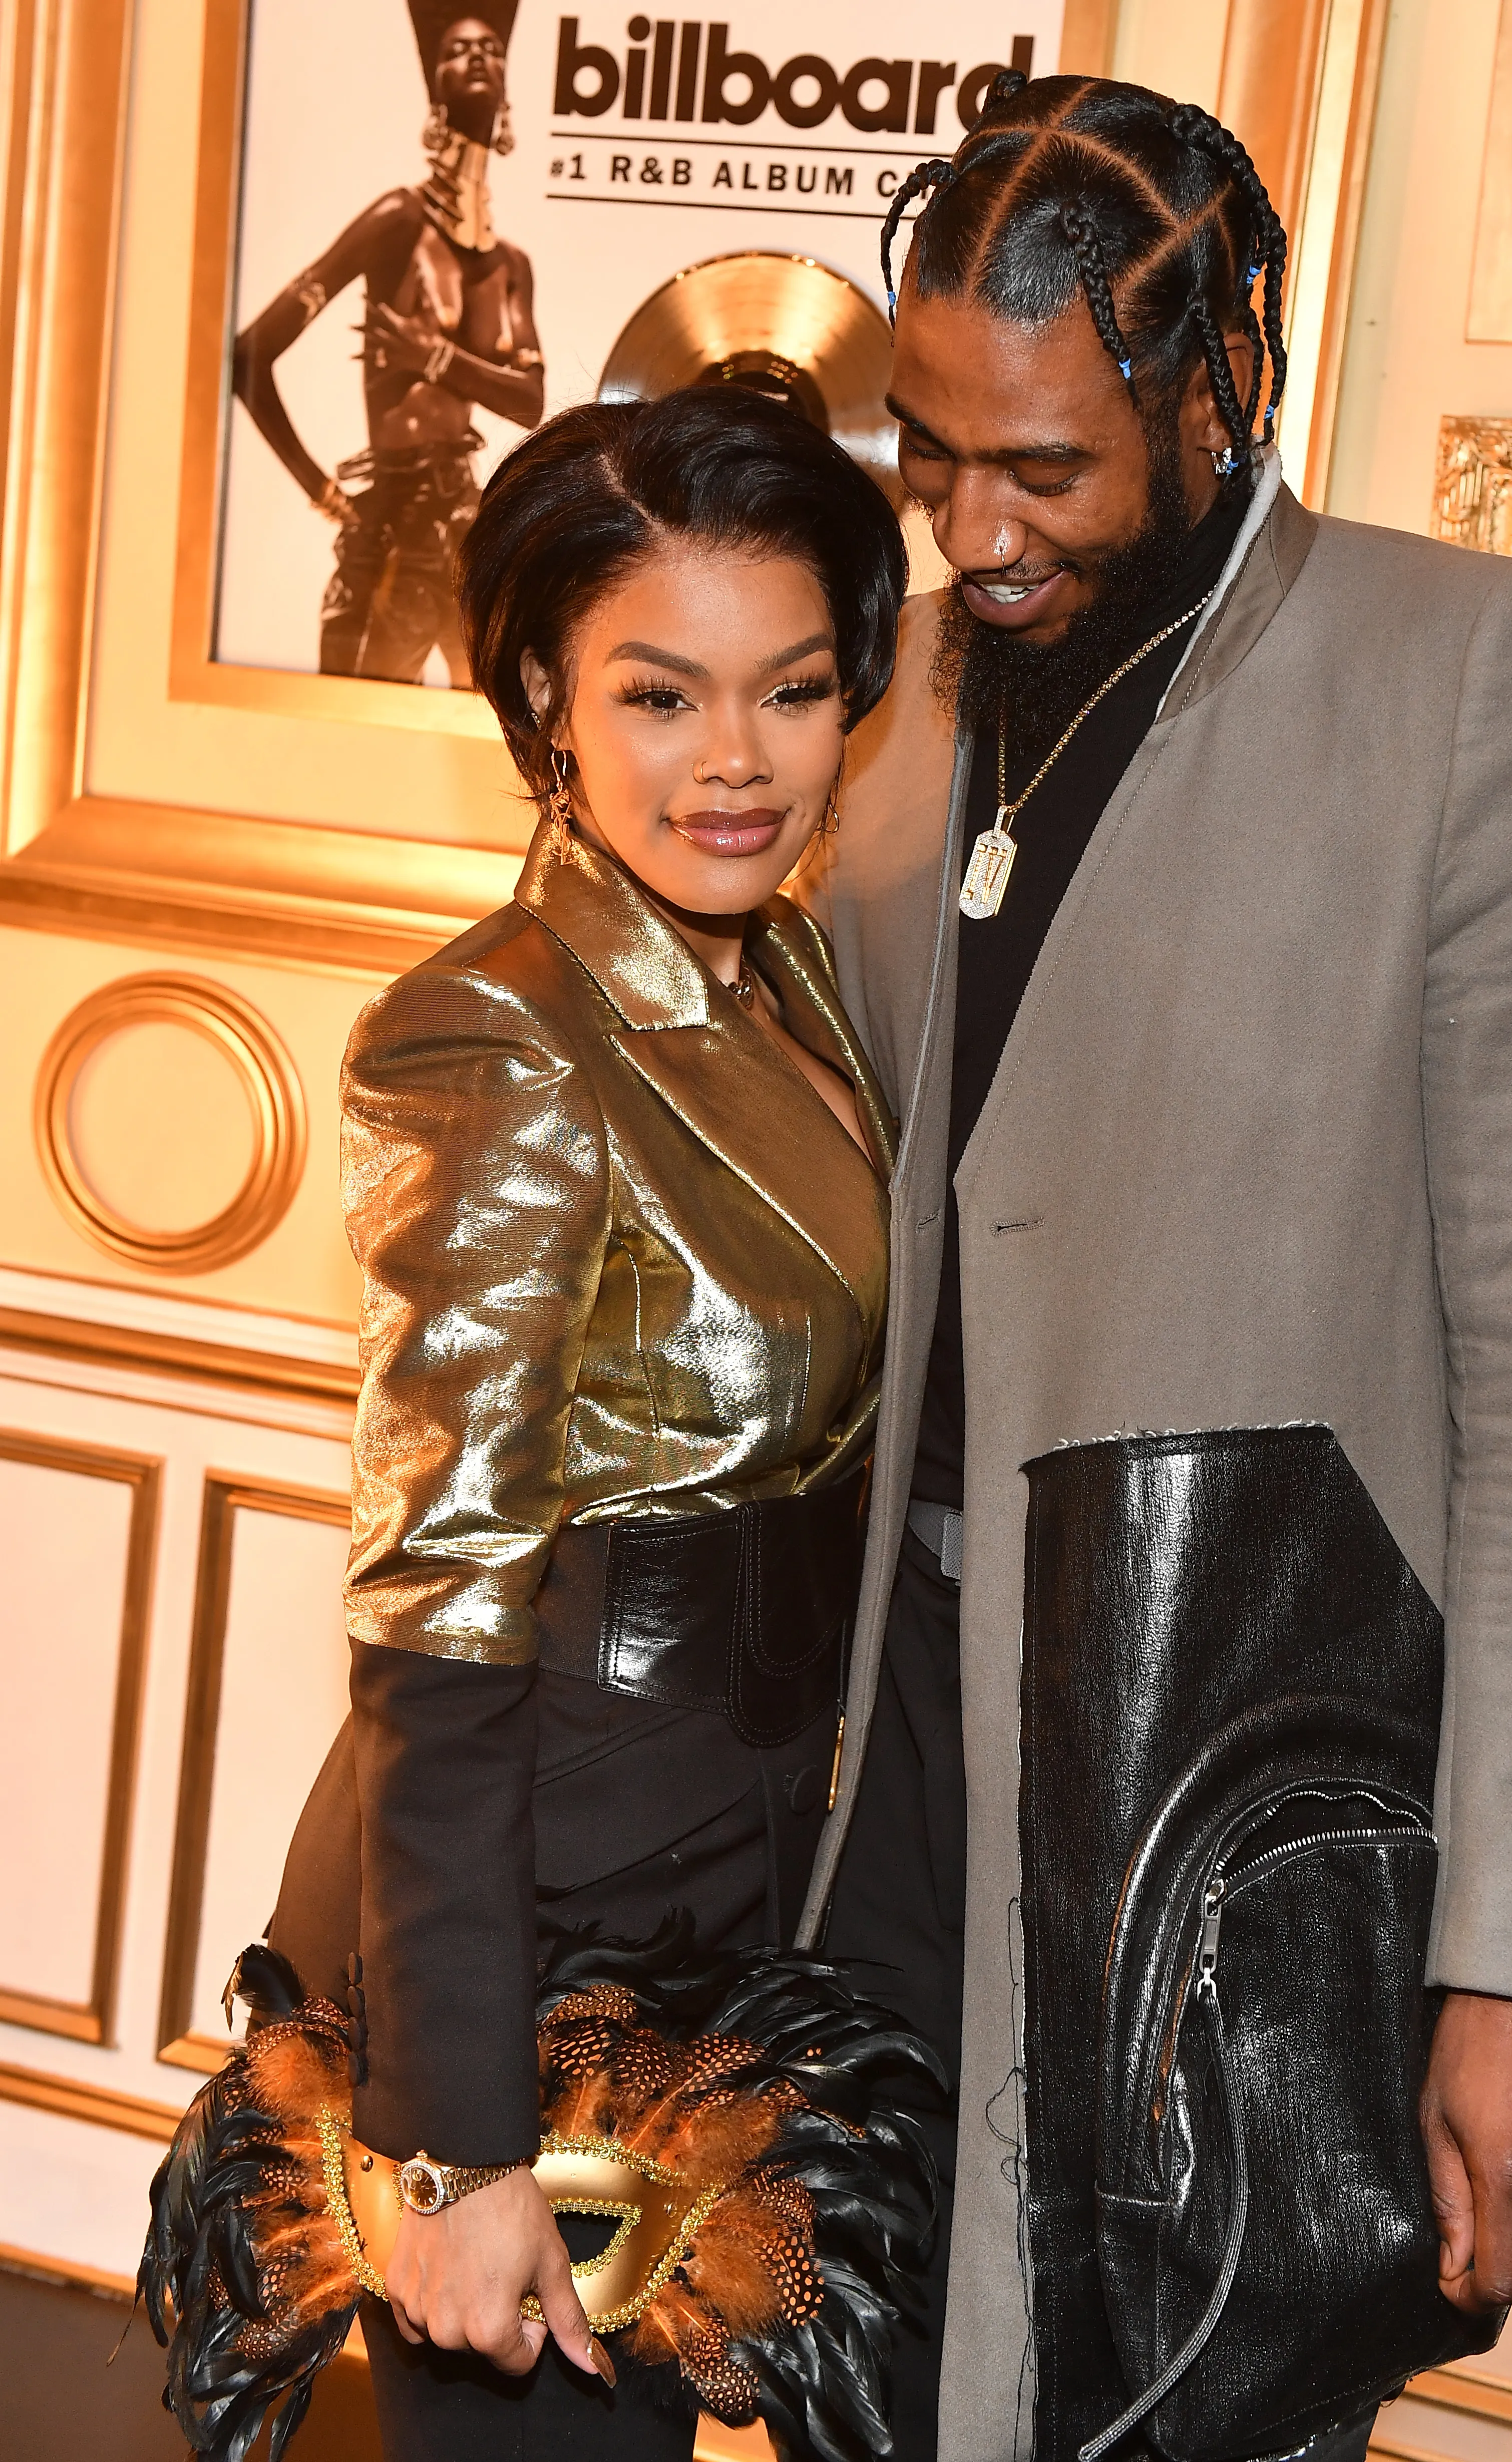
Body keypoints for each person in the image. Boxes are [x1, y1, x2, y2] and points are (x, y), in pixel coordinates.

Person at [804, 71, 1512, 2462]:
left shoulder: (1469, 674)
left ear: (1219, 389)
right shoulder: (873, 711)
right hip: (888, 1778)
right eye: (928, 455)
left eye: (1046, 471)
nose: (973, 533)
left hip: (1226, 1800)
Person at [263, 384, 907, 2458]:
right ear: (547, 692)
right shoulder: (494, 1023)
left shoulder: (782, 971)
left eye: (792, 690)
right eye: (658, 692)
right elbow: (434, 1608)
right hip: (544, 1914)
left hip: (734, 1870)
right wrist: (449, 2139)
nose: (734, 760)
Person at [233, 4, 543, 684]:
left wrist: (434, 359)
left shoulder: (509, 266)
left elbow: (530, 402)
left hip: (469, 534)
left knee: (487, 740)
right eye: (459, 50)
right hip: (390, 534)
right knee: (350, 732)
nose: (479, 57)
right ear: (435, 85)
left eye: (491, 47)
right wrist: (319, 489)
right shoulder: (396, 223)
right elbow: (250, 355)